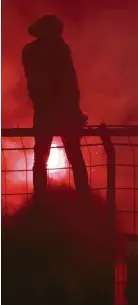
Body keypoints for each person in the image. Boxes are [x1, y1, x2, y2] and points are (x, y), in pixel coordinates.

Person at [22, 15, 90, 198]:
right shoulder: (58, 50)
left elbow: (66, 81)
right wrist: (74, 111)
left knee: (43, 158)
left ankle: (40, 199)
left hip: (48, 113)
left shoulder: (32, 52)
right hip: (60, 112)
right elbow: (68, 81)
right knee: (74, 157)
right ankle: (84, 199)